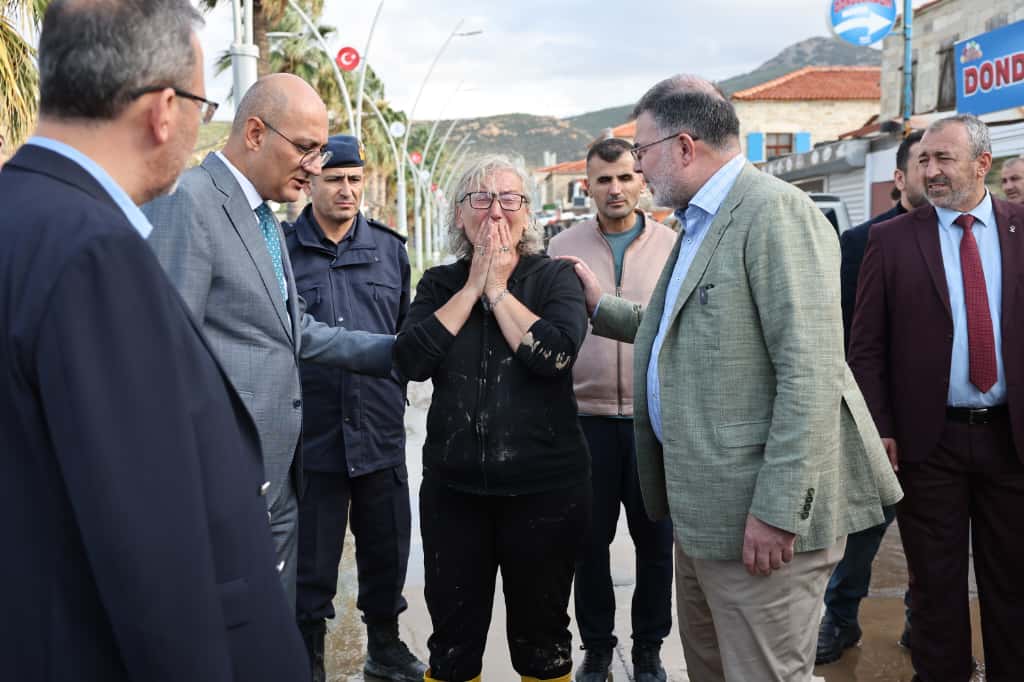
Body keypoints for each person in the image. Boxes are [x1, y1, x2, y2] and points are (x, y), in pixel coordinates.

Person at [0, 1, 308, 680]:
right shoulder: (96, 256)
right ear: (164, 109)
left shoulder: (21, 217)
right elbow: (152, 550)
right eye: (205, 104)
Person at [566, 74, 902, 681]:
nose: (638, 170)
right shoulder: (698, 221)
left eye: (641, 153)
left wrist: (778, 511)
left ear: (684, 146)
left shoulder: (775, 214)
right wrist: (601, 307)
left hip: (760, 522)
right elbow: (689, 331)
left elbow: (810, 371)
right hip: (705, 516)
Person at [143, 74, 394, 607]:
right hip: (222, 493)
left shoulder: (267, 221)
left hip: (278, 485)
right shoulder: (186, 203)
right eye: (306, 148)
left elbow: (295, 333)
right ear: (255, 132)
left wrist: (398, 350)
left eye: (321, 151)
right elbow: (160, 365)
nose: (317, 166)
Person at [394, 155, 591, 682]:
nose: (495, 213)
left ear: (527, 213)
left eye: (509, 200)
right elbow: (411, 360)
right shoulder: (438, 285)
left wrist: (498, 290)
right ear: (459, 216)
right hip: (454, 492)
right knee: (453, 646)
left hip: (545, 490)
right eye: (480, 200)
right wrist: (471, 288)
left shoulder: (555, 279)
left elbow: (554, 356)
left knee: (543, 640)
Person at [849, 114, 1024, 682]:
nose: (931, 170)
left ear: (982, 165)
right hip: (929, 443)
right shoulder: (892, 239)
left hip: (1012, 439)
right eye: (924, 160)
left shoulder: (1022, 228)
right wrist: (880, 428)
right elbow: (867, 346)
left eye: (944, 158)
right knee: (934, 586)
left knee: (1013, 581)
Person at [284, 134, 424, 682]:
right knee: (312, 564)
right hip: (313, 434)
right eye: (335, 179)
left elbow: (408, 337)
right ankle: (309, 660)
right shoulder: (280, 251)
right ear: (312, 182)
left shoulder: (391, 250)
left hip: (379, 428)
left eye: (355, 180)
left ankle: (385, 648)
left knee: (386, 547)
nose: (347, 191)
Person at [547, 137, 676, 682]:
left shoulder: (674, 244)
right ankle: (597, 647)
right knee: (587, 545)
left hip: (652, 422)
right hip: (586, 421)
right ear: (588, 186)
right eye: (604, 179)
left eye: (625, 177)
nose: (615, 189)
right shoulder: (561, 248)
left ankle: (649, 648)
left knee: (655, 545)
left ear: (642, 179)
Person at [816, 129, 926, 664]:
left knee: (935, 536)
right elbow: (843, 335)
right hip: (874, 419)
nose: (934, 172)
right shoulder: (860, 242)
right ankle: (840, 621)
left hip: (940, 421)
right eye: (923, 162)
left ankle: (920, 622)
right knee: (861, 532)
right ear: (899, 178)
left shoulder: (968, 240)